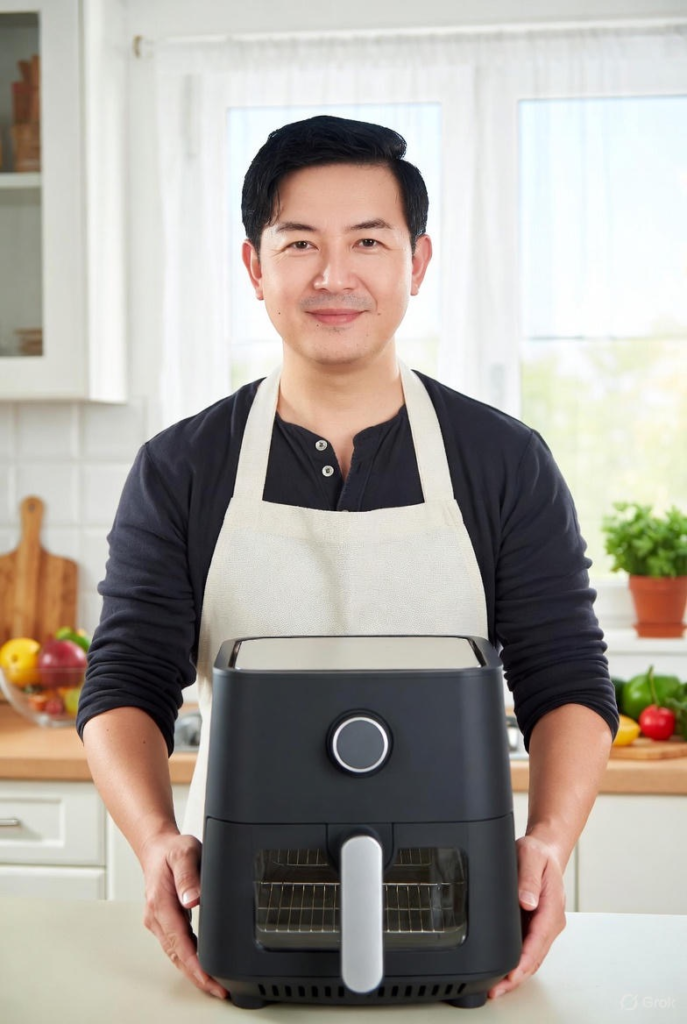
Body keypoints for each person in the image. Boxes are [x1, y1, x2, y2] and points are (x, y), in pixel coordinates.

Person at [77, 115, 618, 1002]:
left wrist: (550, 842)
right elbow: (126, 680)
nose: (334, 275)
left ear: (417, 260)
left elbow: (566, 679)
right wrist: (156, 842)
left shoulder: (502, 460)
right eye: (299, 244)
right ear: (255, 267)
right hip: (250, 905)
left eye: (368, 240)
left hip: (457, 908)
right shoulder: (183, 467)